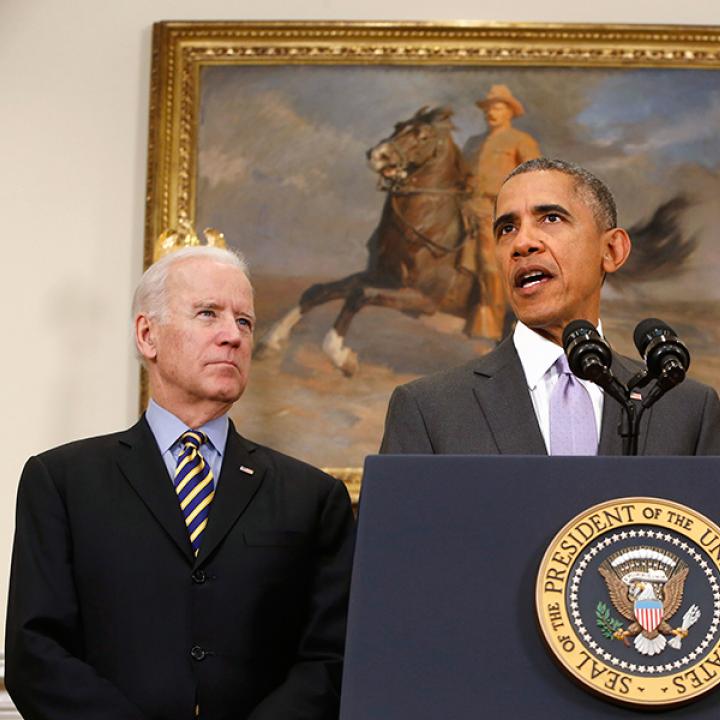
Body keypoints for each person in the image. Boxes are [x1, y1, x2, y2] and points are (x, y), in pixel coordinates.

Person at [5, 246, 355, 720]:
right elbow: (35, 653)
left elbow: (330, 661)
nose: (232, 336)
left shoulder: (313, 498)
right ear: (148, 335)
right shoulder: (63, 482)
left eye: (245, 322)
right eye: (208, 314)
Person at [381, 158, 720, 455]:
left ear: (612, 250)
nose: (522, 243)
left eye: (551, 219)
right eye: (507, 228)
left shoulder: (687, 409)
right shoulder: (428, 409)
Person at [461, 85, 541, 340]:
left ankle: (491, 327)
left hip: (500, 212)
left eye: (497, 107)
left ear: (509, 111)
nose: (490, 112)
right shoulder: (473, 143)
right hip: (466, 206)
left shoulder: (520, 141)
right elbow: (461, 177)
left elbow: (535, 179)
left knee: (488, 261)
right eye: (488, 108)